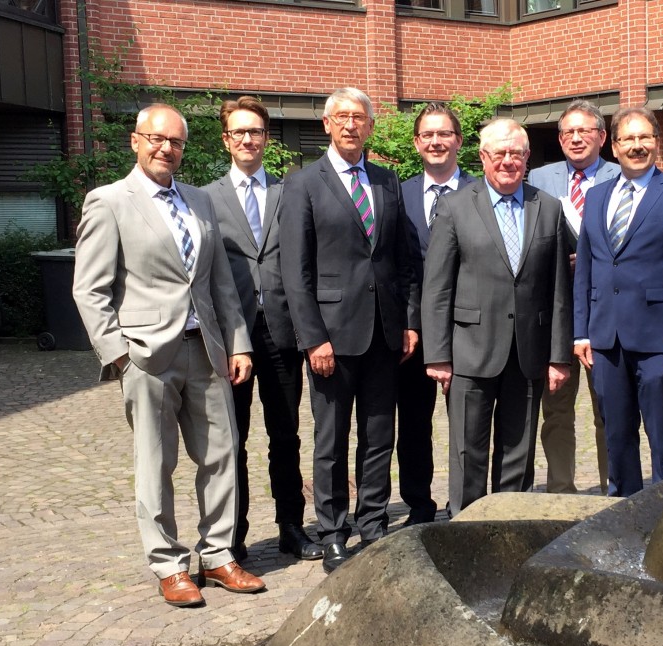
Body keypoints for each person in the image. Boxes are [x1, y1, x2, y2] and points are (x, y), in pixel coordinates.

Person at [72, 103, 266, 607]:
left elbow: (222, 283)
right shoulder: (109, 201)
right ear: (136, 141)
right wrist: (118, 355)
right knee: (155, 464)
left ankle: (219, 556)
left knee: (222, 457)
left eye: (176, 142)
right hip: (147, 355)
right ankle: (169, 565)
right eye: (157, 139)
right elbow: (89, 289)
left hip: (207, 350)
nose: (166, 149)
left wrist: (239, 342)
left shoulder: (201, 202)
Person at [279, 87, 420, 574]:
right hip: (332, 339)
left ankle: (375, 524)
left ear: (370, 126)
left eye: (358, 118)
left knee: (380, 435)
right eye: (341, 117)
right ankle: (334, 529)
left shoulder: (386, 180)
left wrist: (405, 323)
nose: (350, 125)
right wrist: (313, 337)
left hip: (384, 334)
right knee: (332, 439)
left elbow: (401, 260)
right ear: (325, 124)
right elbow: (296, 272)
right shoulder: (303, 184)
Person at [422, 118, 572, 517]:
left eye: (517, 154)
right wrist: (437, 354)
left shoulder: (549, 208)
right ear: (483, 157)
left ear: (527, 158)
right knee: (468, 448)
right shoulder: (454, 206)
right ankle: (466, 525)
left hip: (528, 351)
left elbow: (558, 290)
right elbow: (437, 286)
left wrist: (559, 356)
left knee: (517, 450)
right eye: (500, 154)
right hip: (470, 350)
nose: (508, 161)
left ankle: (509, 523)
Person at [202, 97, 321, 564]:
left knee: (285, 434)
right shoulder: (205, 198)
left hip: (282, 333)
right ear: (226, 139)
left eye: (256, 132)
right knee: (230, 439)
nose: (248, 139)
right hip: (232, 335)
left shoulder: (288, 192)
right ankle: (233, 534)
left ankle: (291, 526)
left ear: (267, 139)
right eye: (239, 132)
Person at [573, 107, 663, 497]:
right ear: (613, 146)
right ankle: (625, 509)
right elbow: (587, 267)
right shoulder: (597, 196)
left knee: (662, 433)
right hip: (606, 338)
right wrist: (581, 330)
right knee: (616, 435)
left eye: (644, 138)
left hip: (659, 339)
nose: (637, 146)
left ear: (656, 142)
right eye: (628, 139)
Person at [527, 99, 617, 495]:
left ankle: (614, 488)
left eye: (584, 131)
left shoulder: (622, 175)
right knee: (557, 410)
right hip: (557, 310)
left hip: (606, 313)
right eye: (568, 132)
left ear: (602, 136)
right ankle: (561, 489)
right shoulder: (539, 178)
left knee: (609, 409)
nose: (576, 138)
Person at [397, 102, 476, 526]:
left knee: (468, 422)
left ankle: (466, 502)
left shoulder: (482, 192)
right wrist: (410, 322)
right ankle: (418, 505)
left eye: (443, 134)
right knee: (412, 424)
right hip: (415, 332)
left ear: (459, 141)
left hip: (468, 327)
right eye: (427, 134)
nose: (435, 141)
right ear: (416, 143)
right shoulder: (398, 193)